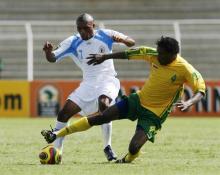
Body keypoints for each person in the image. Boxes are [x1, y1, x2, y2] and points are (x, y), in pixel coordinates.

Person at [41, 36, 206, 163]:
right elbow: (129, 54)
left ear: (173, 54)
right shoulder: (154, 54)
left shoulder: (185, 69)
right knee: (102, 116)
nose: (158, 55)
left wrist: (190, 102)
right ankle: (57, 134)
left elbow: (201, 89)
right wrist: (105, 56)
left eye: (162, 53)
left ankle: (127, 159)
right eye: (158, 51)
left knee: (133, 147)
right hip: (138, 101)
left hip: (154, 114)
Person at [42, 13, 135, 162]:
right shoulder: (73, 41)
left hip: (108, 80)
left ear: (94, 26)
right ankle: (57, 150)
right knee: (64, 113)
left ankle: (107, 147)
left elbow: (132, 42)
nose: (83, 32)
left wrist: (123, 40)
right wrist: (48, 52)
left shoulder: (106, 34)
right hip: (88, 84)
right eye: (80, 29)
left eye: (86, 28)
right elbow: (53, 58)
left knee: (104, 105)